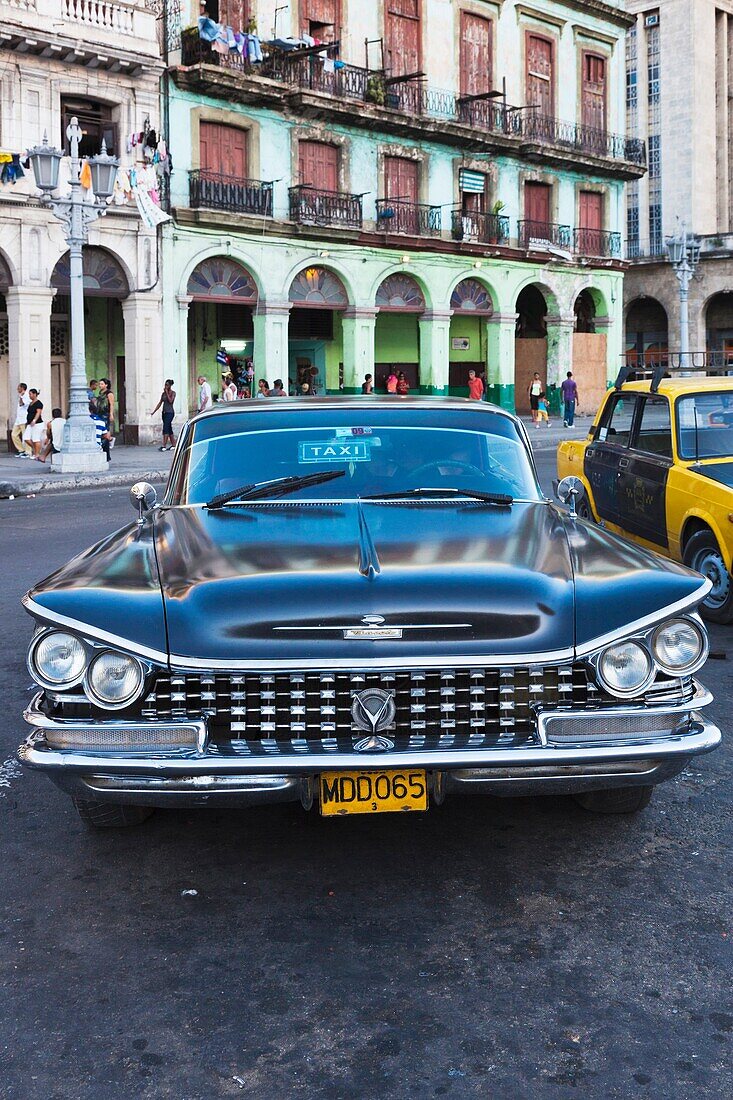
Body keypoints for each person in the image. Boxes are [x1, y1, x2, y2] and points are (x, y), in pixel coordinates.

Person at [150, 379, 177, 451]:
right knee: (169, 428)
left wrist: (167, 393)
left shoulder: (173, 393)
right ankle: (174, 444)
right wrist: (154, 411)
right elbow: (160, 403)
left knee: (165, 428)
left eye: (167, 385)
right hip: (164, 413)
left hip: (170, 412)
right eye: (165, 385)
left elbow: (170, 401)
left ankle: (164, 445)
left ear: (170, 386)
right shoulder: (163, 394)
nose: (166, 386)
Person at [23, 388, 44, 458]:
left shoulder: (39, 403)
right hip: (29, 424)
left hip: (37, 424)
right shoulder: (31, 403)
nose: (29, 396)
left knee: (36, 439)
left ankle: (37, 454)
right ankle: (35, 449)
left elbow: (38, 412)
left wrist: (34, 420)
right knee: (26, 438)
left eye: (30, 394)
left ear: (35, 394)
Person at [11, 383, 29, 456]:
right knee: (14, 434)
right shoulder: (21, 396)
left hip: (24, 419)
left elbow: (22, 404)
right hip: (18, 419)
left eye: (18, 388)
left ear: (22, 388)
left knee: (25, 436)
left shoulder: (26, 395)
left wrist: (21, 397)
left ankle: (28, 451)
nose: (17, 389)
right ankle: (21, 450)